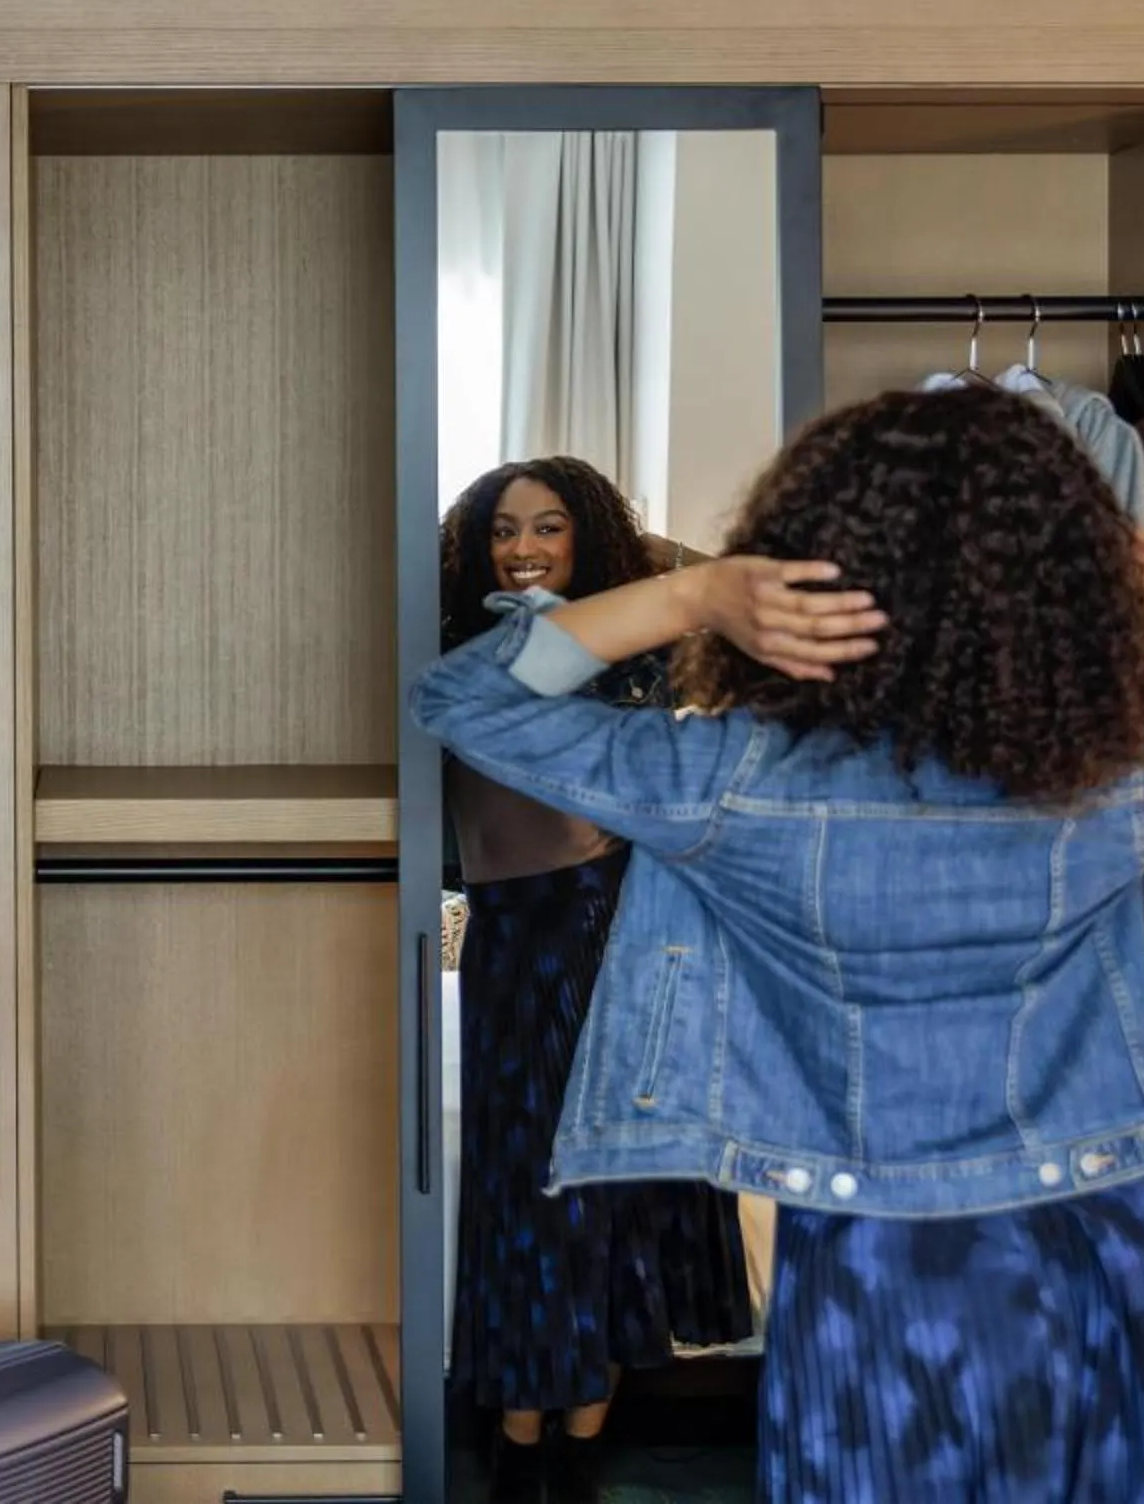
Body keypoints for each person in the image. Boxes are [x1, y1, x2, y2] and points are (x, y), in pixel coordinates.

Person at [411, 386, 1144, 1503]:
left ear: (809, 572)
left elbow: (465, 697)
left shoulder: (729, 782)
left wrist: (691, 592)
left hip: (875, 1290)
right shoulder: (1113, 778)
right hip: (1112, 1258)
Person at [437, 459, 753, 1504]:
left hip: (612, 927)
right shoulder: (463, 649)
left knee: (610, 1196)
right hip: (509, 944)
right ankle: (521, 1438)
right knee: (527, 1193)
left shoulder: (635, 651)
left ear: (589, 538)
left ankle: (574, 1444)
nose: (523, 547)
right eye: (503, 530)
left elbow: (731, 590)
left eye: (550, 525)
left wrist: (642, 556)